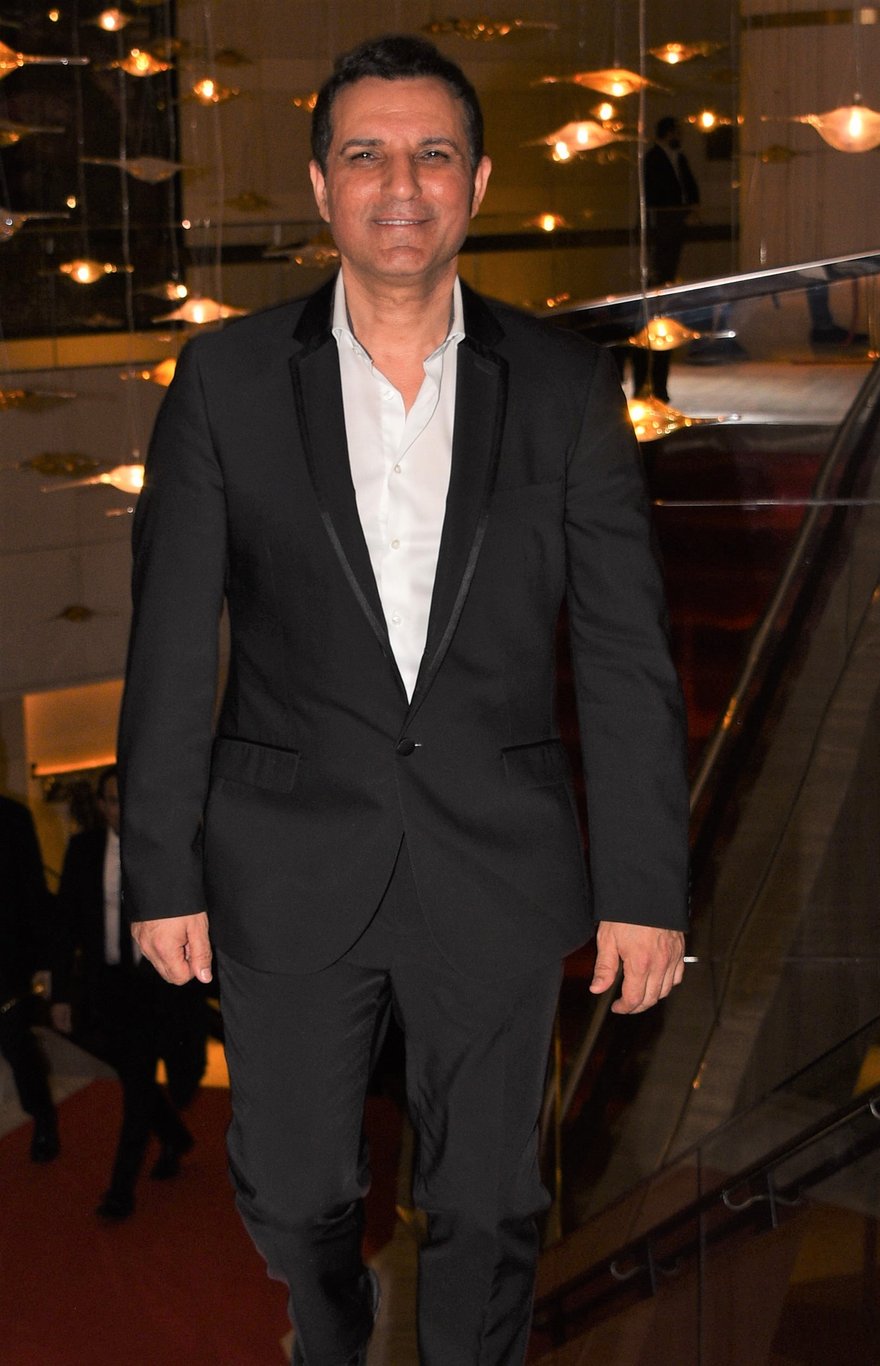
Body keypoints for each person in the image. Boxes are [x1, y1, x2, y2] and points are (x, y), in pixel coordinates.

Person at [118, 33, 689, 1366]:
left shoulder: (564, 385)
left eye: (432, 153)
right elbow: (170, 645)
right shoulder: (225, 380)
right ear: (322, 185)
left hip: (495, 851)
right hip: (285, 854)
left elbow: (625, 650)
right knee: (293, 1189)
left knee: (490, 1203)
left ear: (477, 183)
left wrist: (646, 885)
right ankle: (331, 1332)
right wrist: (161, 869)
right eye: (366, 153)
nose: (401, 183)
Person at [52, 767, 201, 1220]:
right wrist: (60, 994)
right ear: (102, 805)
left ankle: (120, 1191)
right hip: (109, 988)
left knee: (137, 1088)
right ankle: (175, 1138)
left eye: (127, 799)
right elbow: (65, 928)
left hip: (158, 985)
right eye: (113, 801)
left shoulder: (166, 848)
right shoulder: (83, 851)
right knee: (135, 1078)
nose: (121, 809)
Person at [0, 794, 59, 1163]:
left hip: (6, 958)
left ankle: (43, 1117)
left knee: (15, 1045)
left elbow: (32, 888)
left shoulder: (12, 817)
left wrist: (42, 961)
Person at [634, 114, 701, 402]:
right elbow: (653, 192)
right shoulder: (653, 159)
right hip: (663, 223)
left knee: (670, 270)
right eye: (677, 132)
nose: (680, 136)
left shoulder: (678, 157)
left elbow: (688, 185)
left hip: (675, 222)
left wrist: (691, 207)